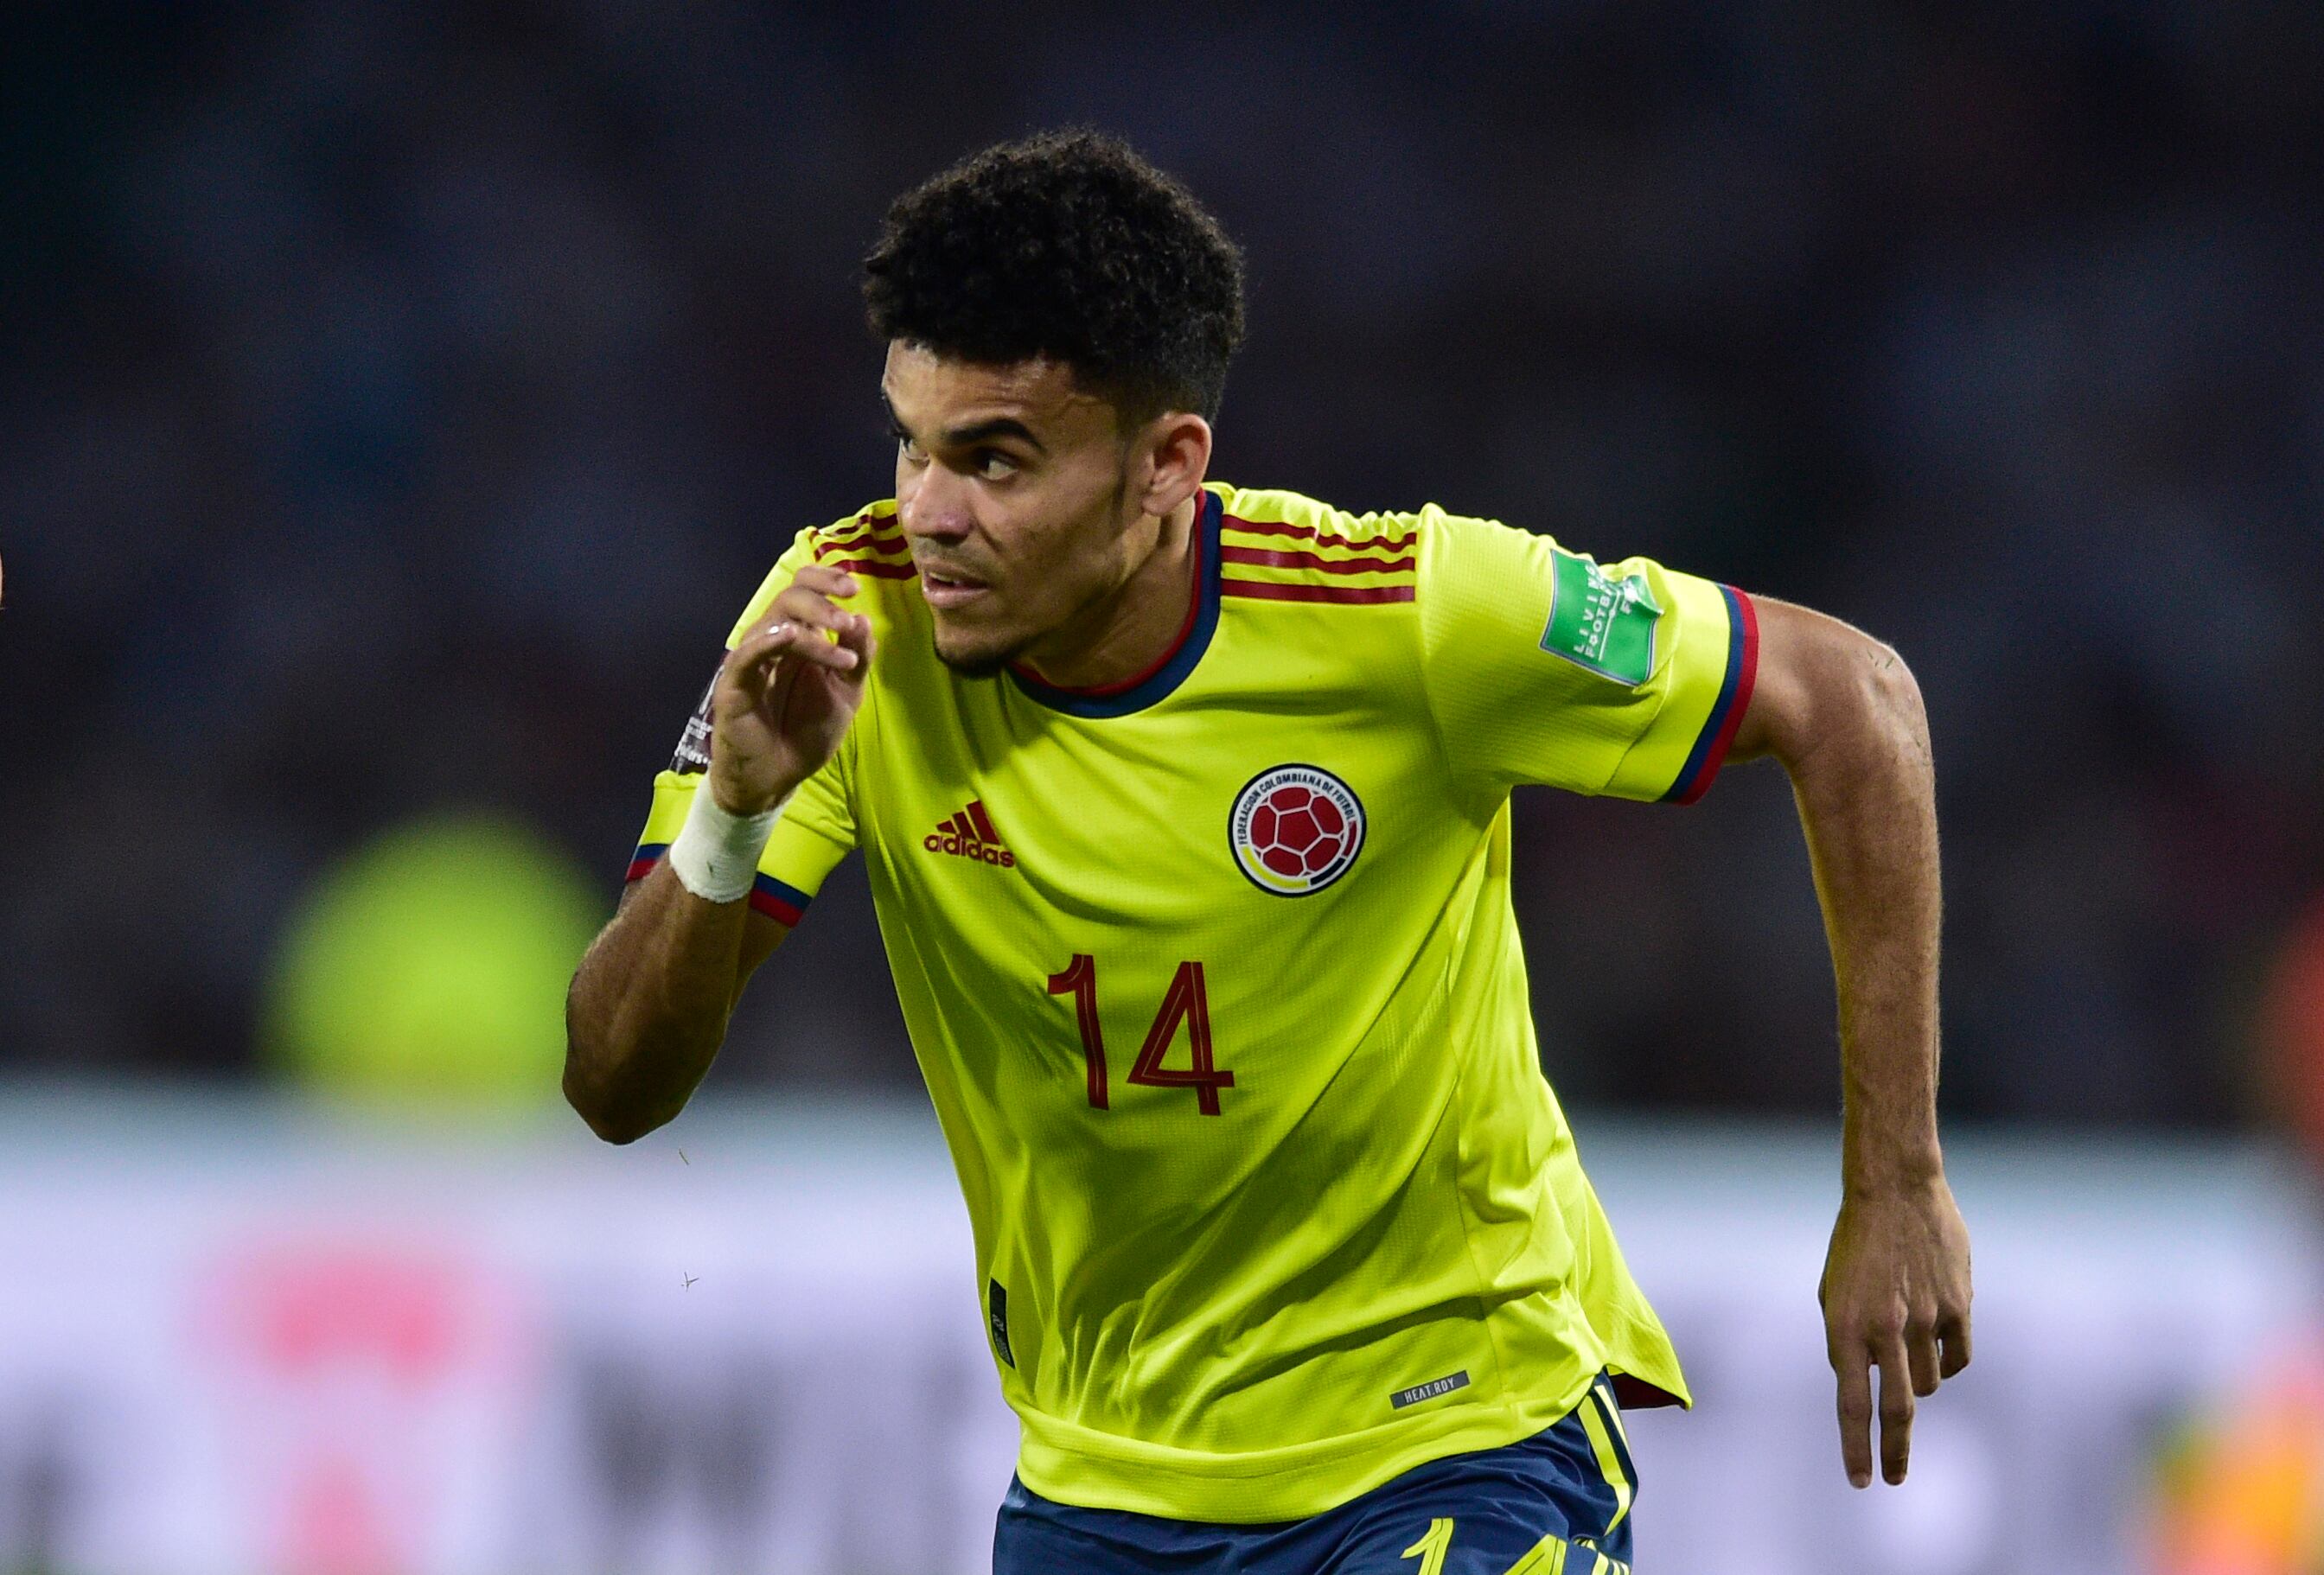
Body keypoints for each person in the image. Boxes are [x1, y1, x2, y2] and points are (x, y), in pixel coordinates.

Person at [564, 131, 1971, 1573]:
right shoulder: (845, 627)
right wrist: (733, 816)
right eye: (911, 442)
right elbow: (613, 1086)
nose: (931, 513)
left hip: (1453, 1436)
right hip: (1100, 1484)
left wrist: (1897, 1181)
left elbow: (1852, 699)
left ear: (1169, 465)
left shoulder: (1406, 614)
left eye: (995, 459)